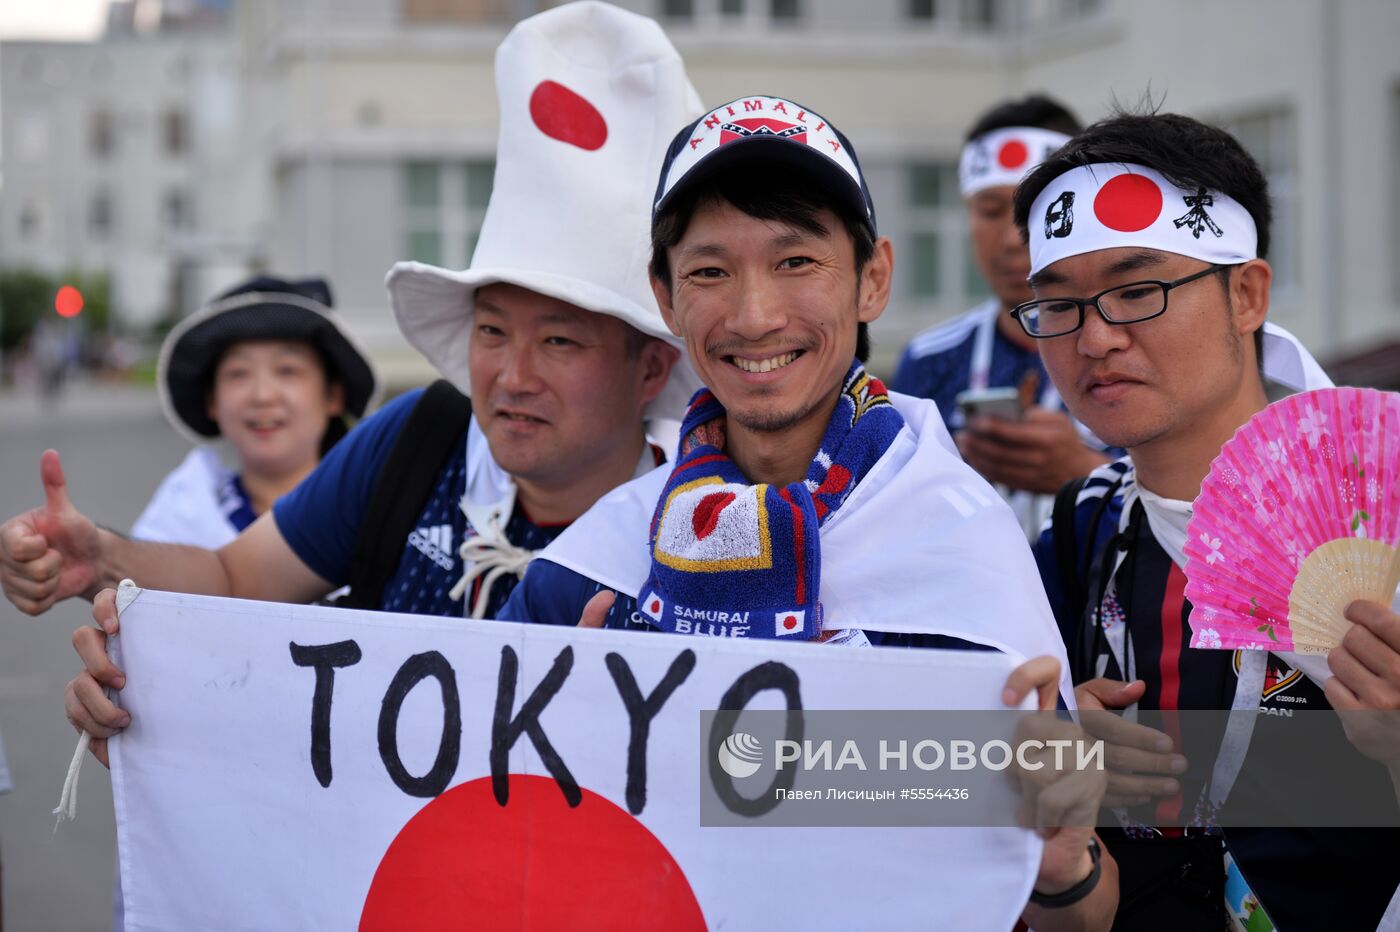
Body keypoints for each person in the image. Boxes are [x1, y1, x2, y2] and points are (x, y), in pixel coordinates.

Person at [497, 93, 1116, 930]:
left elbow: (1078, 909)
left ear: (873, 279)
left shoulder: (963, 552)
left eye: (796, 263)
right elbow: (492, 838)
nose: (755, 317)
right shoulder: (590, 568)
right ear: (666, 296)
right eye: (711, 271)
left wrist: (1058, 862)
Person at [0, 1, 700, 622]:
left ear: (651, 367)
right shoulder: (418, 445)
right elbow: (237, 579)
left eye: (560, 342)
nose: (512, 375)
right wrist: (104, 556)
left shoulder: (708, 522)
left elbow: (761, 759)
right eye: (490, 330)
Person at [1016, 110, 1400, 930]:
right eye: (1058, 306)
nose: (1095, 338)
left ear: (1247, 294)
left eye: (1136, 291)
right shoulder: (1080, 533)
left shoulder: (1383, 520)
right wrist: (1040, 750)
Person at [892, 95, 1113, 538]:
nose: (1014, 238)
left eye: (1034, 210)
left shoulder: (1129, 346)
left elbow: (1188, 514)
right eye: (991, 211)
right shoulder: (930, 359)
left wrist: (1086, 474)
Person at [131, 276, 379, 548]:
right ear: (212, 402)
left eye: (287, 370)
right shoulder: (177, 522)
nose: (262, 396)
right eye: (238, 374)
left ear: (333, 395)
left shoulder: (380, 514)